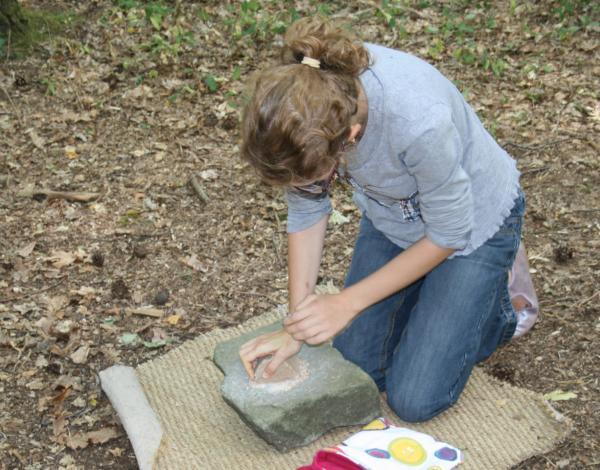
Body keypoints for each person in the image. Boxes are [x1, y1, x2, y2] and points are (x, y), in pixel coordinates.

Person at [238, 16, 525, 422]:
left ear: (350, 137)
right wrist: (296, 325)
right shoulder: (303, 109)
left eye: (316, 175)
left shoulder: (418, 122)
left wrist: (347, 302)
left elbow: (449, 232)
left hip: (472, 226)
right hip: (396, 215)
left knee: (415, 399)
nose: (307, 186)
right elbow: (306, 209)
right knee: (358, 368)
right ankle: (434, 292)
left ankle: (493, 301)